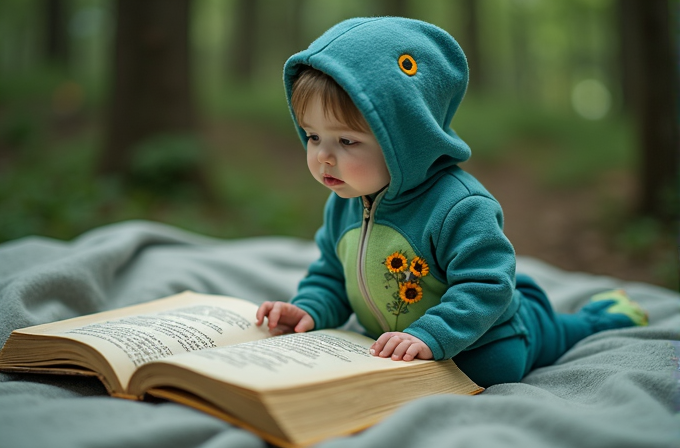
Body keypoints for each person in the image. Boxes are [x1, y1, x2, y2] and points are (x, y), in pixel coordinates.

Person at [255, 17, 648, 387]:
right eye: (312, 136)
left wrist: (431, 335)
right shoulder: (344, 202)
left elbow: (487, 283)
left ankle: (605, 314)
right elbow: (330, 275)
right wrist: (308, 310)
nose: (323, 156)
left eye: (346, 141)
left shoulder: (459, 206)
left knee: (507, 359)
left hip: (487, 336)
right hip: (396, 339)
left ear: (405, 138)